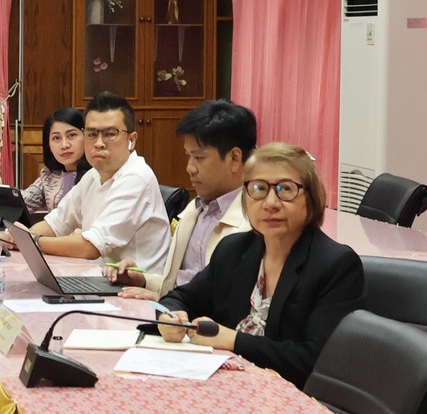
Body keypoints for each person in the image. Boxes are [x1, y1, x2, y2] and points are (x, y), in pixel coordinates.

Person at [156, 142, 364, 388]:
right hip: (228, 387)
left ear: (311, 198)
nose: (270, 203)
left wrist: (234, 340)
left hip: (290, 397)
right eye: (258, 189)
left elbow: (315, 360)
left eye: (286, 189)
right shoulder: (234, 250)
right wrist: (170, 318)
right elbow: (179, 298)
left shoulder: (335, 265)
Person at [21, 91, 170, 280]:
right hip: (98, 279)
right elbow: (56, 223)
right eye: (91, 134)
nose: (99, 143)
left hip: (134, 288)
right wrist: (20, 237)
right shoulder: (92, 175)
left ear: (131, 140)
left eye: (110, 134)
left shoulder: (136, 177)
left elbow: (90, 247)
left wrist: (32, 241)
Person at [150, 100, 256, 296]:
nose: (190, 168)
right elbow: (180, 282)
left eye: (199, 157)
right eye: (188, 156)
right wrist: (143, 280)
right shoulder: (195, 208)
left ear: (234, 158)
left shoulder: (255, 221)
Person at [22, 107, 87, 216]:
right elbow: (20, 204)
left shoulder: (98, 175)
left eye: (71, 135)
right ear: (49, 146)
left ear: (87, 136)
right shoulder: (50, 176)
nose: (64, 145)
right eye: (56, 138)